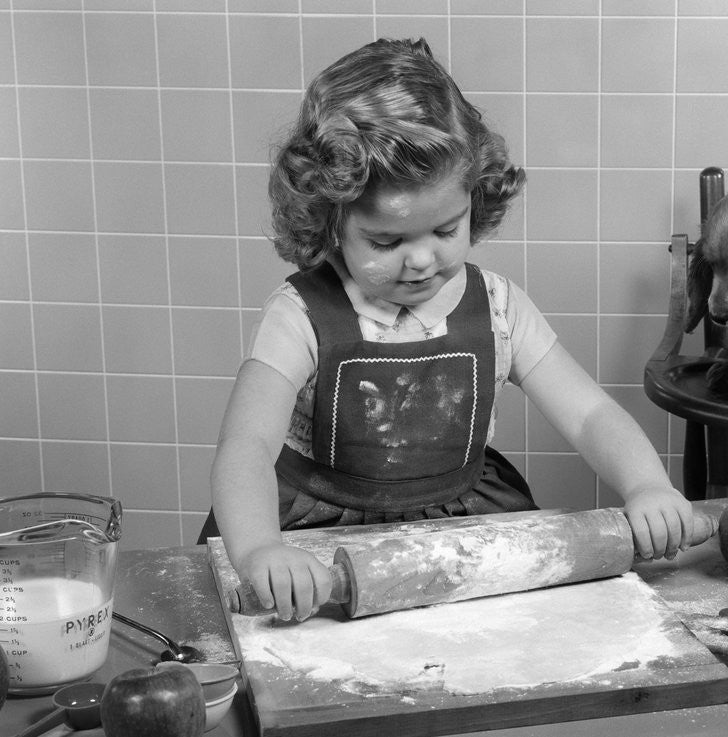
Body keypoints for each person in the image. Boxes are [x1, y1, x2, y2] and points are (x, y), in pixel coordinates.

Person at [209, 37, 694, 622]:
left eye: (446, 230)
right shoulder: (300, 314)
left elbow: (589, 414)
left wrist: (647, 486)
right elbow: (248, 445)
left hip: (462, 523)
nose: (420, 261)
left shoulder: (497, 306)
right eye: (387, 242)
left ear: (475, 197)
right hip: (312, 531)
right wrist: (261, 547)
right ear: (329, 216)